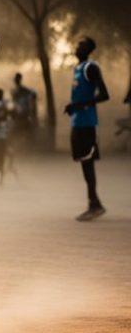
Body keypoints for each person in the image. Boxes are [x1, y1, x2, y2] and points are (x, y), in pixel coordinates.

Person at [64, 37, 109, 221]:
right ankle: (95, 203)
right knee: (83, 163)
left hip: (88, 124)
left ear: (89, 49)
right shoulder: (78, 69)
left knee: (88, 164)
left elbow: (104, 94)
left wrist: (80, 105)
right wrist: (72, 106)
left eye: (81, 45)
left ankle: (94, 205)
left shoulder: (91, 67)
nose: (77, 47)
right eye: (77, 44)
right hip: (77, 123)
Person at [10, 72, 37, 150]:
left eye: (17, 78)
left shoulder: (25, 90)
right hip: (17, 115)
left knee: (27, 134)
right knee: (14, 134)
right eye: (15, 79)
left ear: (19, 79)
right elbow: (14, 103)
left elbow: (33, 96)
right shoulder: (14, 91)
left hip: (24, 115)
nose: (16, 80)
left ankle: (28, 149)